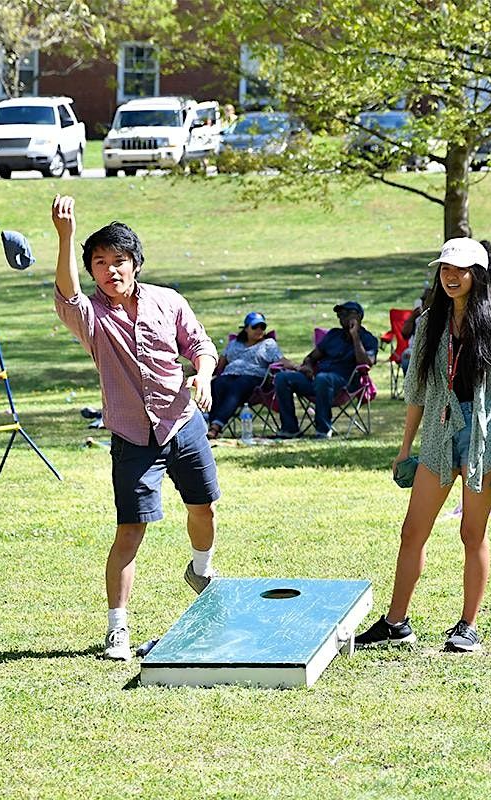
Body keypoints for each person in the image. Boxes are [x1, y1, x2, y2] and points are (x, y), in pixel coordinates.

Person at [51, 194, 221, 662]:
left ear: (136, 264)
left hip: (182, 422)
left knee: (203, 508)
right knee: (131, 530)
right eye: (100, 263)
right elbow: (67, 291)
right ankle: (118, 629)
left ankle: (201, 569)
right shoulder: (90, 317)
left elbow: (201, 345)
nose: (110, 270)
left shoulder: (169, 301)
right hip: (132, 435)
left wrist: (203, 374)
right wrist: (66, 237)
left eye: (119, 261)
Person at [356, 237, 491, 653]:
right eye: (445, 269)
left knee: (473, 534)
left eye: (460, 270)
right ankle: (396, 622)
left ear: (478, 275)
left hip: (485, 440)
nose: (451, 277)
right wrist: (404, 449)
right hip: (438, 435)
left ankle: (468, 625)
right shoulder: (429, 320)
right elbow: (416, 390)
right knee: (412, 531)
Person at [272, 301, 378, 439]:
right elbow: (311, 357)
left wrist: (355, 336)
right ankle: (289, 428)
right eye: (339, 314)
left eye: (346, 313)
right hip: (318, 381)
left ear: (358, 316)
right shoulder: (333, 335)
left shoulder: (369, 339)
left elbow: (366, 363)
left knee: (324, 379)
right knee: (282, 378)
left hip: (345, 384)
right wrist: (309, 366)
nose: (341, 317)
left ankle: (323, 430)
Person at [206, 311, 286, 439]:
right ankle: (210, 423)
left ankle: (216, 426)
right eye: (255, 327)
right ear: (246, 328)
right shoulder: (234, 344)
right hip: (230, 374)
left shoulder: (268, 344)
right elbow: (221, 363)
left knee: (237, 386)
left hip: (254, 379)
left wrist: (297, 366)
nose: (259, 330)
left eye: (262, 327)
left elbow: (281, 360)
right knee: (216, 383)